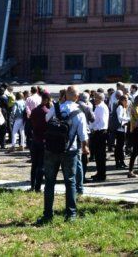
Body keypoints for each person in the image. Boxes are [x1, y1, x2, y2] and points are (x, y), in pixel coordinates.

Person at [37, 86, 88, 225]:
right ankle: (70, 214)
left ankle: (47, 214)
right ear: (77, 97)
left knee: (49, 182)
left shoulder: (56, 107)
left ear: (65, 95)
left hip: (51, 149)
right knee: (70, 182)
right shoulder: (79, 112)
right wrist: (85, 148)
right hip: (69, 150)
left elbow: (47, 118)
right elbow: (83, 135)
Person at [29, 91, 52, 192]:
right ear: (47, 100)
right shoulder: (47, 112)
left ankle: (32, 185)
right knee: (41, 165)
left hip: (35, 139)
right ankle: (38, 187)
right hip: (43, 140)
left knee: (34, 164)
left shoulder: (34, 111)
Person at [88, 91, 109, 183]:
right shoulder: (99, 107)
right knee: (98, 155)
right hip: (98, 132)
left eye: (95, 97)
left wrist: (94, 129)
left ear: (100, 98)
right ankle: (99, 172)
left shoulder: (101, 107)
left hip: (100, 133)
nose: (94, 99)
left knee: (100, 155)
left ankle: (101, 175)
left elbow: (102, 123)